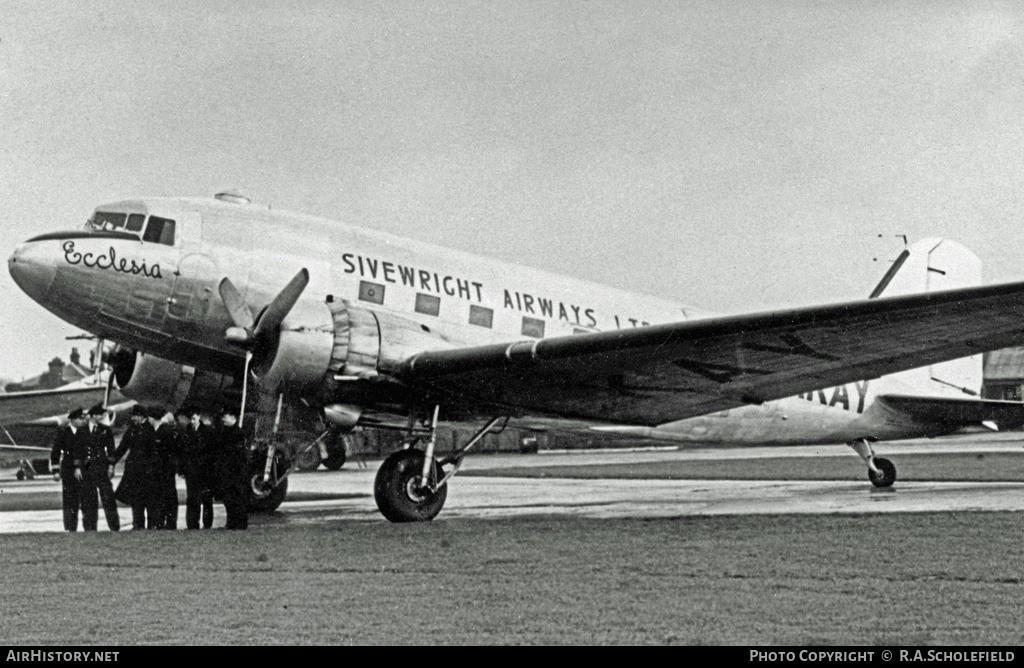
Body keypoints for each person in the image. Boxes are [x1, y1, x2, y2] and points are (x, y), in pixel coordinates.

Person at [112, 405, 157, 530]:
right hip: (133, 471)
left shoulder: (150, 430)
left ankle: (151, 524)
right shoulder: (132, 430)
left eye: (134, 416)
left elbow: (154, 452)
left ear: (141, 416)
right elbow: (122, 447)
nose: (133, 418)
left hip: (147, 471)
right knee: (136, 499)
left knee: (149, 499)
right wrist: (111, 462)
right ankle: (138, 524)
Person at [77, 403, 121, 532]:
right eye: (99, 414)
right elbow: (77, 451)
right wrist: (78, 467)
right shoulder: (82, 430)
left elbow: (111, 450)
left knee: (108, 498)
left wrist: (111, 466)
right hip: (87, 468)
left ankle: (114, 526)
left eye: (102, 414)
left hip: (102, 467)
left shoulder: (105, 430)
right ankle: (89, 528)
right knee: (88, 500)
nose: (101, 416)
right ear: (91, 416)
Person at [49, 407, 88, 532]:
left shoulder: (85, 433)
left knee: (85, 499)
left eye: (82, 419)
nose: (82, 421)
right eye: (79, 419)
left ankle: (88, 526)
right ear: (72, 420)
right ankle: (70, 527)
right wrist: (55, 471)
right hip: (68, 470)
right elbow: (55, 452)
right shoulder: (63, 433)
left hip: (83, 470)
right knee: (69, 499)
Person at [212, 406, 249, 530]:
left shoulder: (238, 433)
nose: (223, 419)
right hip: (227, 472)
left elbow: (237, 455)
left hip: (236, 472)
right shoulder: (225, 432)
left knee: (238, 499)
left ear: (233, 417)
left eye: (225, 416)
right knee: (228, 499)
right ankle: (231, 522)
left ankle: (241, 523)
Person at [180, 409, 214, 529]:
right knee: (192, 498)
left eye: (194, 418)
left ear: (199, 416)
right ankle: (192, 523)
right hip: (191, 470)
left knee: (206, 499)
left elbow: (211, 452)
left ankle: (207, 523)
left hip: (204, 470)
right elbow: (183, 452)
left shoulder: (208, 432)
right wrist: (182, 469)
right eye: (191, 419)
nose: (192, 421)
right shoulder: (187, 432)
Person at [152, 412, 181, 529]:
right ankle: (166, 522)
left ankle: (167, 522)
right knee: (165, 496)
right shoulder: (163, 429)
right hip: (164, 469)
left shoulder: (164, 430)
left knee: (167, 496)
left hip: (165, 469)